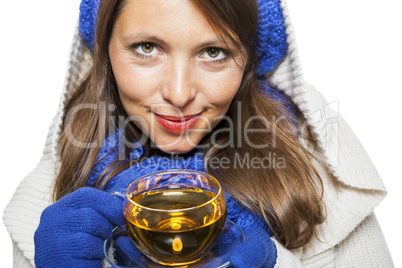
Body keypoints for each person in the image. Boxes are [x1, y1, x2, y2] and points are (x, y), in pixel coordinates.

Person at [3, 0, 395, 267]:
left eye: (214, 52)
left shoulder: (315, 168)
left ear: (249, 59)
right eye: (146, 47)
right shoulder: (61, 178)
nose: (178, 92)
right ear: (105, 49)